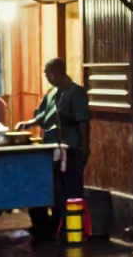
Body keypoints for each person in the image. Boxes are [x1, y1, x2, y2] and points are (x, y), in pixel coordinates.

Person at [16, 58, 91, 240]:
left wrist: (85, 146)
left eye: (48, 74)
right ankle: (48, 226)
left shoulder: (76, 93)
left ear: (58, 73)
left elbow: (84, 122)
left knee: (70, 190)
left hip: (70, 150)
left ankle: (70, 228)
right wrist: (28, 123)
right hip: (49, 151)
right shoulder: (51, 93)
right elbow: (42, 115)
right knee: (51, 189)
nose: (47, 78)